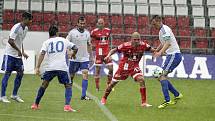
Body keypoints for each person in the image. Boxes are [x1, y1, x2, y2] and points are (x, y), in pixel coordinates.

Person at [101, 32, 155, 107]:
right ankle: (104, 98)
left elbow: (152, 50)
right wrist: (108, 56)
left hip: (134, 66)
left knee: (141, 80)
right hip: (124, 67)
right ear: (131, 39)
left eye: (138, 39)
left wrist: (159, 52)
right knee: (112, 84)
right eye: (135, 39)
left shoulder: (143, 45)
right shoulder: (125, 45)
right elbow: (114, 50)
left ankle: (144, 103)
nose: (137, 41)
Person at [31, 25, 78, 112]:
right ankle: (67, 106)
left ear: (49, 34)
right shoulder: (64, 40)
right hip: (62, 67)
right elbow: (75, 47)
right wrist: (73, 54)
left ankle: (35, 104)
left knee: (44, 84)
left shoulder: (46, 42)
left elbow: (42, 54)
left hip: (50, 67)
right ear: (57, 33)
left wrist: (37, 67)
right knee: (68, 85)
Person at [151, 15, 183, 109]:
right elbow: (163, 42)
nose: (153, 26)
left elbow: (168, 43)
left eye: (154, 24)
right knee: (162, 77)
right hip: (171, 56)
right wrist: (157, 50)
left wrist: (160, 53)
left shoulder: (165, 29)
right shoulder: (161, 31)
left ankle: (167, 100)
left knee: (161, 76)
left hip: (174, 55)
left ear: (158, 21)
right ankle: (176, 95)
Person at [0, 11, 33, 103]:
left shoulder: (26, 28)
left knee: (20, 73)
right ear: (25, 19)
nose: (31, 22)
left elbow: (20, 41)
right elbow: (10, 41)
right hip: (10, 55)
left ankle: (14, 95)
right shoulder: (16, 27)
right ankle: (2, 96)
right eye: (30, 20)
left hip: (17, 57)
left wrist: (22, 51)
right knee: (7, 74)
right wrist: (19, 51)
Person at [66, 16, 93, 100]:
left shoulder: (87, 33)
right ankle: (68, 94)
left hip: (84, 58)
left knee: (85, 74)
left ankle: (83, 95)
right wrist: (69, 52)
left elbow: (89, 45)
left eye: (83, 23)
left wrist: (91, 56)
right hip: (74, 58)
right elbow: (66, 43)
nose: (82, 25)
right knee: (71, 76)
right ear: (77, 23)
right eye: (80, 23)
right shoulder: (72, 33)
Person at [91, 18, 113, 91]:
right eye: (99, 23)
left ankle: (109, 84)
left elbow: (110, 39)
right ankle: (97, 86)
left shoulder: (108, 30)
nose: (100, 24)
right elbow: (90, 41)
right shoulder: (94, 32)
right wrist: (92, 50)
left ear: (104, 23)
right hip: (99, 53)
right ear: (97, 24)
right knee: (97, 70)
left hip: (106, 53)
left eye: (102, 23)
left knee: (111, 69)